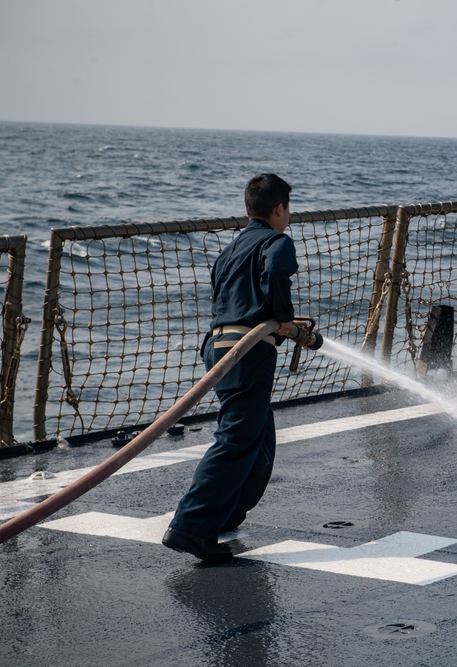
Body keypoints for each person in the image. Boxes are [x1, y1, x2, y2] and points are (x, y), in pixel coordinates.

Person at [163, 173, 310, 564]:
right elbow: (278, 271)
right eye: (288, 209)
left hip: (219, 345)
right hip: (247, 350)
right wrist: (284, 319)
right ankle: (191, 526)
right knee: (236, 440)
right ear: (279, 209)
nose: (288, 216)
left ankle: (225, 516)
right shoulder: (277, 241)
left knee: (259, 439)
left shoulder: (230, 249)